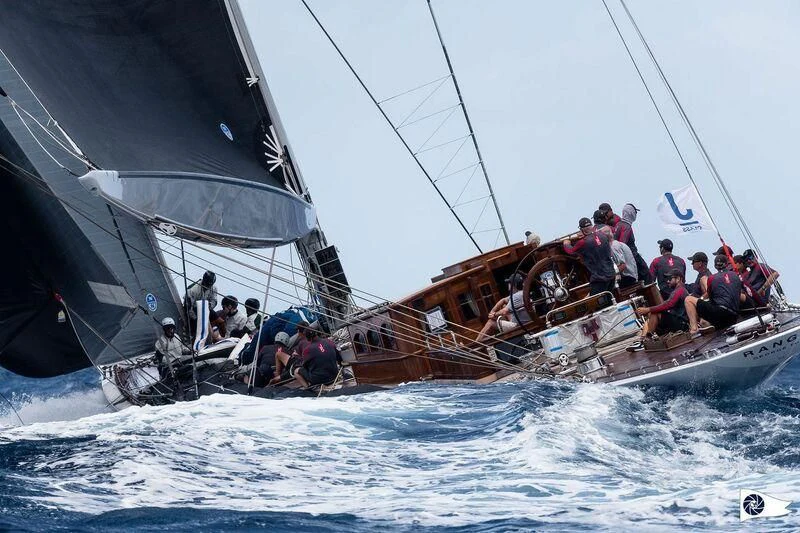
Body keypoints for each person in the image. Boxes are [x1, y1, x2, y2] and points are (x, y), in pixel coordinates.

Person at [628, 269, 688, 351]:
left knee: (654, 313)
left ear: (678, 279)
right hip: (677, 321)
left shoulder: (680, 290)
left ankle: (645, 341)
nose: (668, 281)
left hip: (682, 323)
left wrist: (648, 309)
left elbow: (668, 304)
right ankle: (645, 339)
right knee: (651, 315)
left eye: (670, 279)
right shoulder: (677, 291)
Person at [563, 217, 616, 296]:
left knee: (596, 304)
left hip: (600, 279)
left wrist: (566, 243)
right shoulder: (602, 235)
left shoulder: (583, 242)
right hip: (612, 275)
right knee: (610, 299)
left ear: (582, 230)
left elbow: (570, 251)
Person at [685, 266, 741, 334]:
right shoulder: (734, 276)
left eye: (694, 262)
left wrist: (701, 299)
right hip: (733, 316)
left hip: (721, 311)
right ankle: (707, 323)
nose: (692, 264)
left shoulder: (710, 278)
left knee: (688, 300)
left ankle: (694, 329)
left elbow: (710, 295)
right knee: (704, 319)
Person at [475, 274, 531, 342]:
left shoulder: (516, 297)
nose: (508, 285)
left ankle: (476, 344)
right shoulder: (522, 293)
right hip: (525, 322)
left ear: (514, 284)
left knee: (491, 323)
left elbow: (505, 311)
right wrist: (492, 312)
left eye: (509, 283)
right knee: (504, 306)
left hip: (519, 326)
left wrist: (494, 314)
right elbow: (503, 300)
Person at [613, 203, 651, 284]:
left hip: (624, 256)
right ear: (631, 213)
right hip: (632, 256)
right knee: (646, 274)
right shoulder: (627, 227)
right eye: (635, 212)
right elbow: (622, 244)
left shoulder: (618, 224)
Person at [184, 271, 218, 335]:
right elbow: (188, 307)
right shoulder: (193, 289)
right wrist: (196, 319)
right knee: (196, 324)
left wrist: (209, 306)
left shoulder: (214, 288)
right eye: (207, 285)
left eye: (210, 285)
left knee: (215, 315)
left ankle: (219, 334)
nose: (208, 287)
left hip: (205, 309)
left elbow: (214, 301)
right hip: (193, 310)